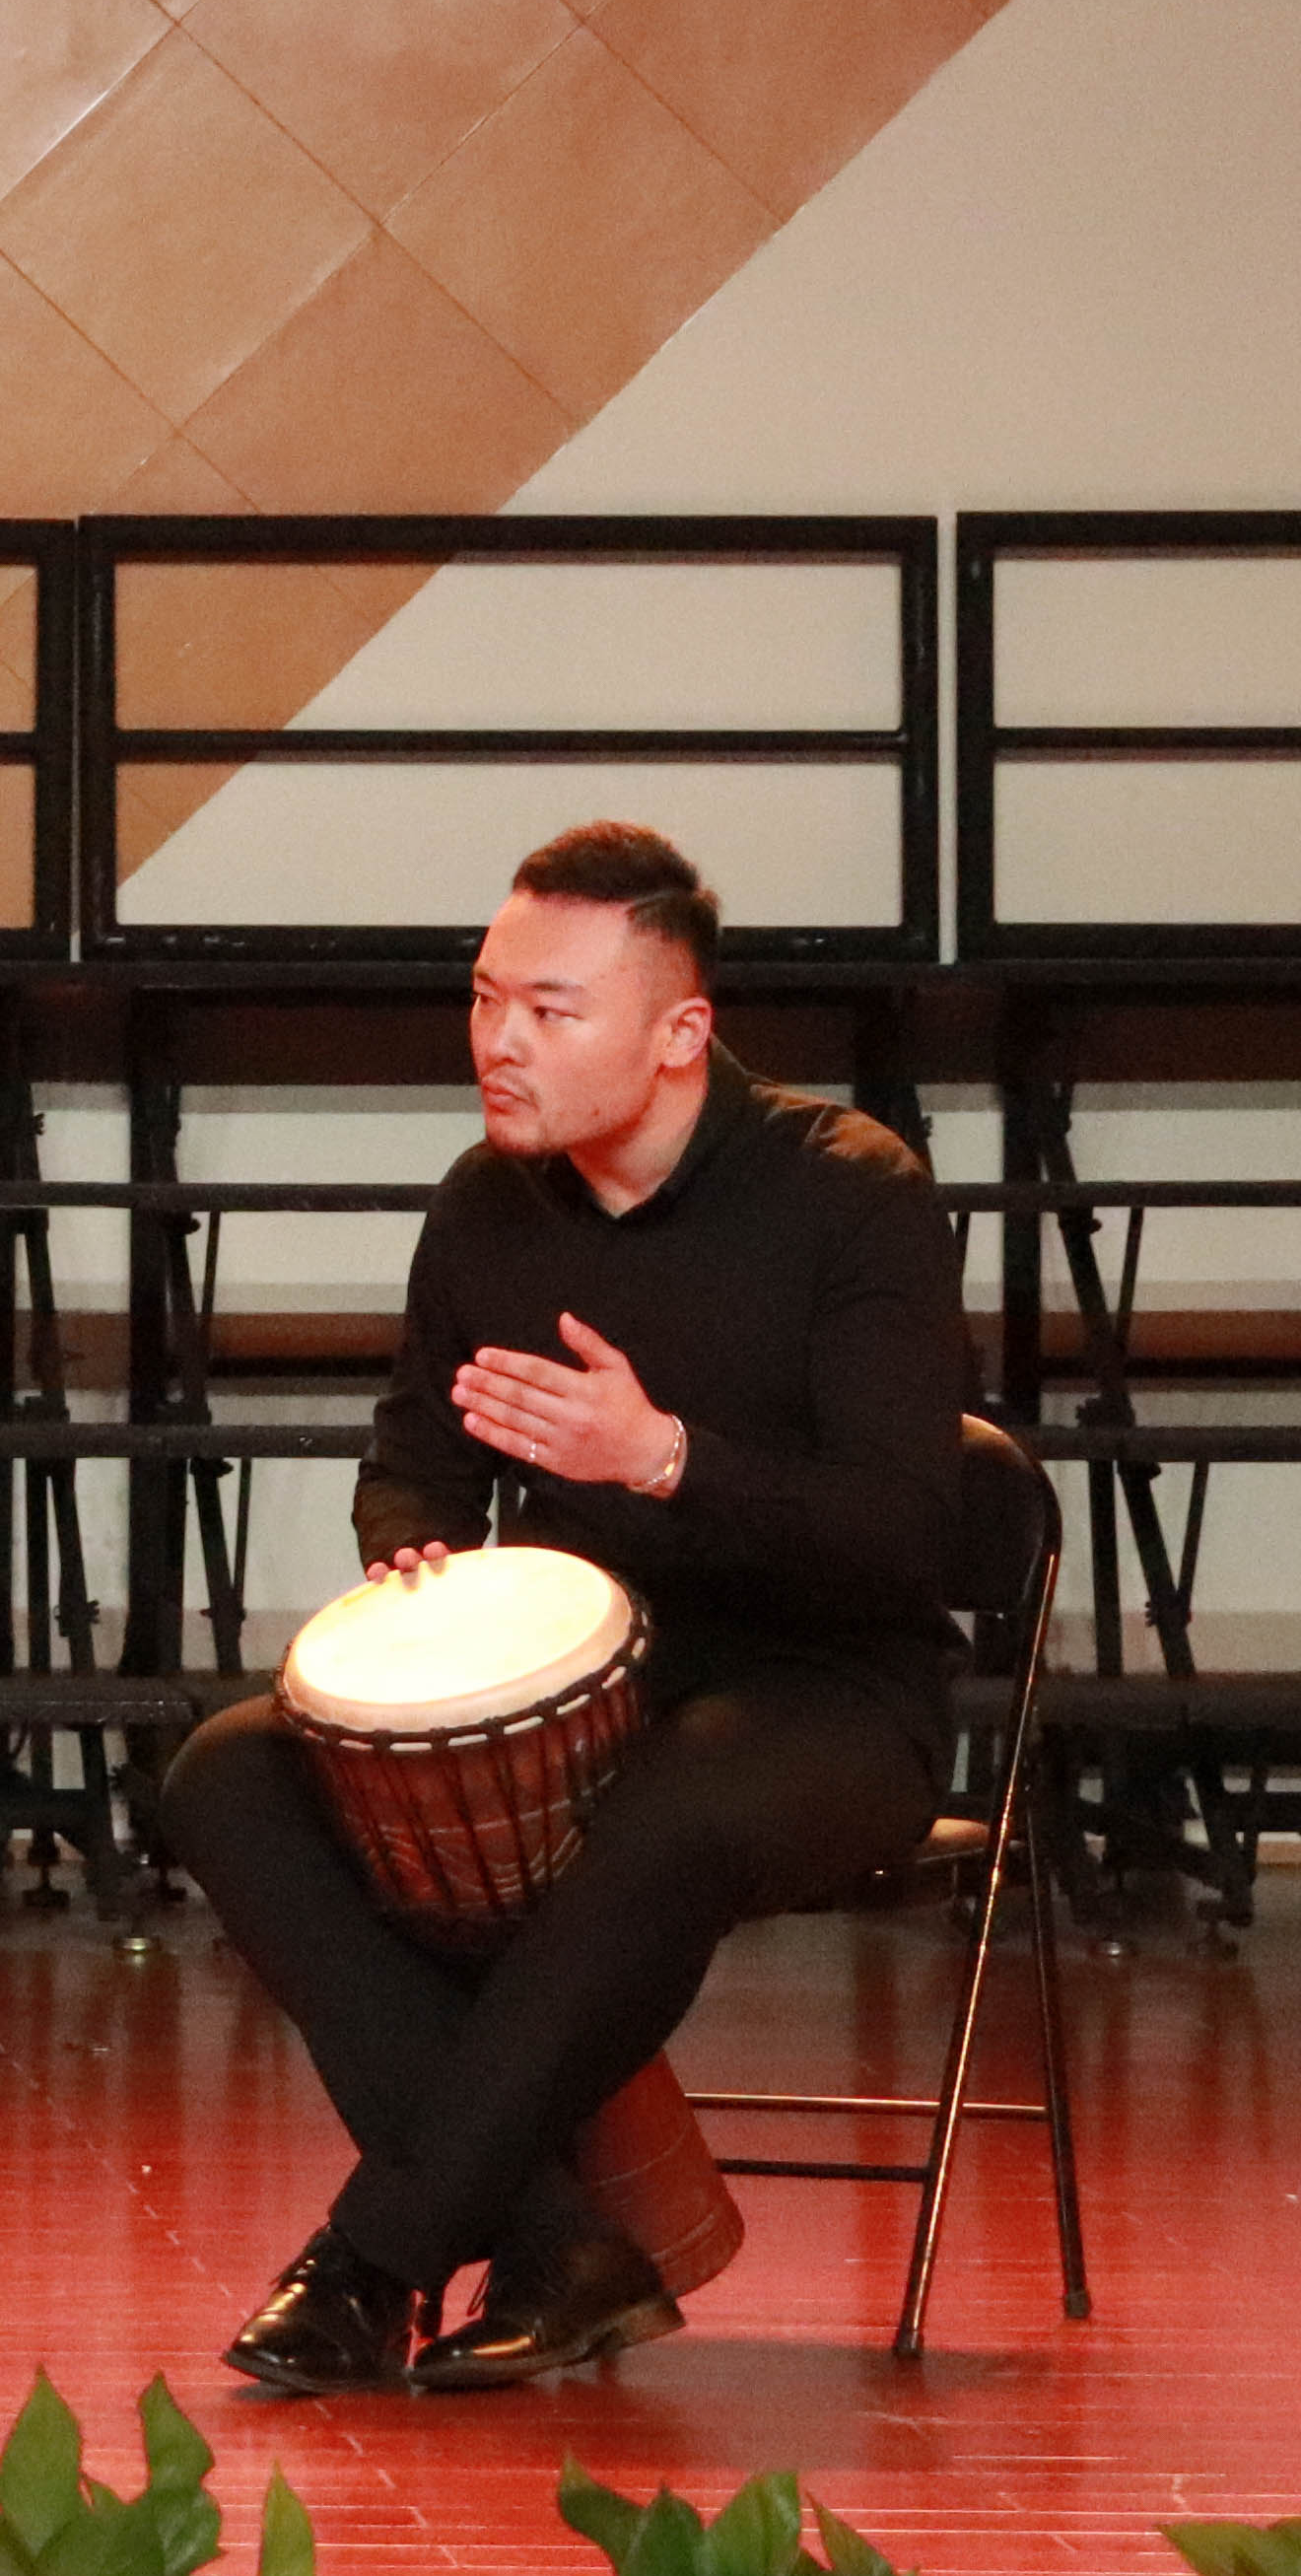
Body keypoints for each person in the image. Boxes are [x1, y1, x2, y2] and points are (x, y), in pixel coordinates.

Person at [153, 822, 968, 2395]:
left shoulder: (850, 1195)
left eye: (550, 1008)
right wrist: (414, 1557)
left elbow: (906, 1536)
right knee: (228, 1773)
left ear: (680, 1033)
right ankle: (562, 2248)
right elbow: (417, 1455)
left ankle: (371, 2260)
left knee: (666, 1805)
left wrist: (662, 1459)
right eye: (485, 998)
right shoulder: (489, 1205)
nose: (499, 1040)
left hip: (830, 1695)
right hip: (596, 1694)